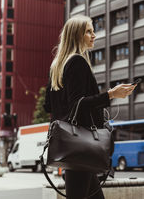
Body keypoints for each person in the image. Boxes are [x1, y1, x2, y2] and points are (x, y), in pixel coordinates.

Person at [44, 15, 136, 199]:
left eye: (93, 31)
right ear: (76, 35)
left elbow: (48, 106)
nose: (94, 35)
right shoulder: (78, 62)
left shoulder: (57, 65)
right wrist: (111, 94)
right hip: (81, 143)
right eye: (88, 31)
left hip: (71, 143)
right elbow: (77, 103)